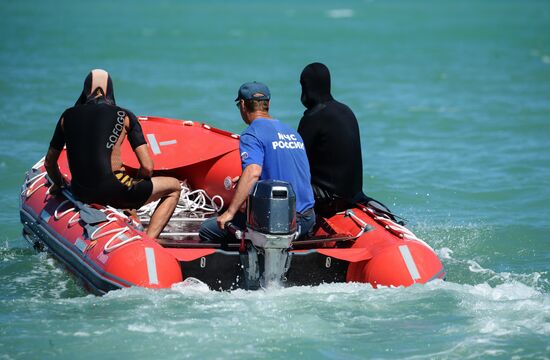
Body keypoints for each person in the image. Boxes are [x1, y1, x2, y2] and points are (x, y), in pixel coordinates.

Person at [44, 69, 181, 239]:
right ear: (111, 91)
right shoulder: (125, 116)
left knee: (117, 183)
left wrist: (59, 183)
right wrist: (137, 182)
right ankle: (149, 239)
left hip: (81, 192)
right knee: (174, 187)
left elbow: (49, 162)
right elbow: (147, 166)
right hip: (114, 191)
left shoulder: (67, 116)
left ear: (85, 90)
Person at [199, 81, 315, 244]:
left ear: (243, 105)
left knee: (208, 229)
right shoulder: (292, 132)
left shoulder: (252, 133)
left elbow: (253, 171)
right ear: (268, 104)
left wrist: (230, 213)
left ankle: (237, 268)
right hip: (307, 219)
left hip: (280, 222)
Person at [298, 62, 393, 218]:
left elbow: (295, 160)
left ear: (307, 87)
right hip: (354, 197)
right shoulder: (346, 110)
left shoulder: (314, 116)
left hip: (329, 200)